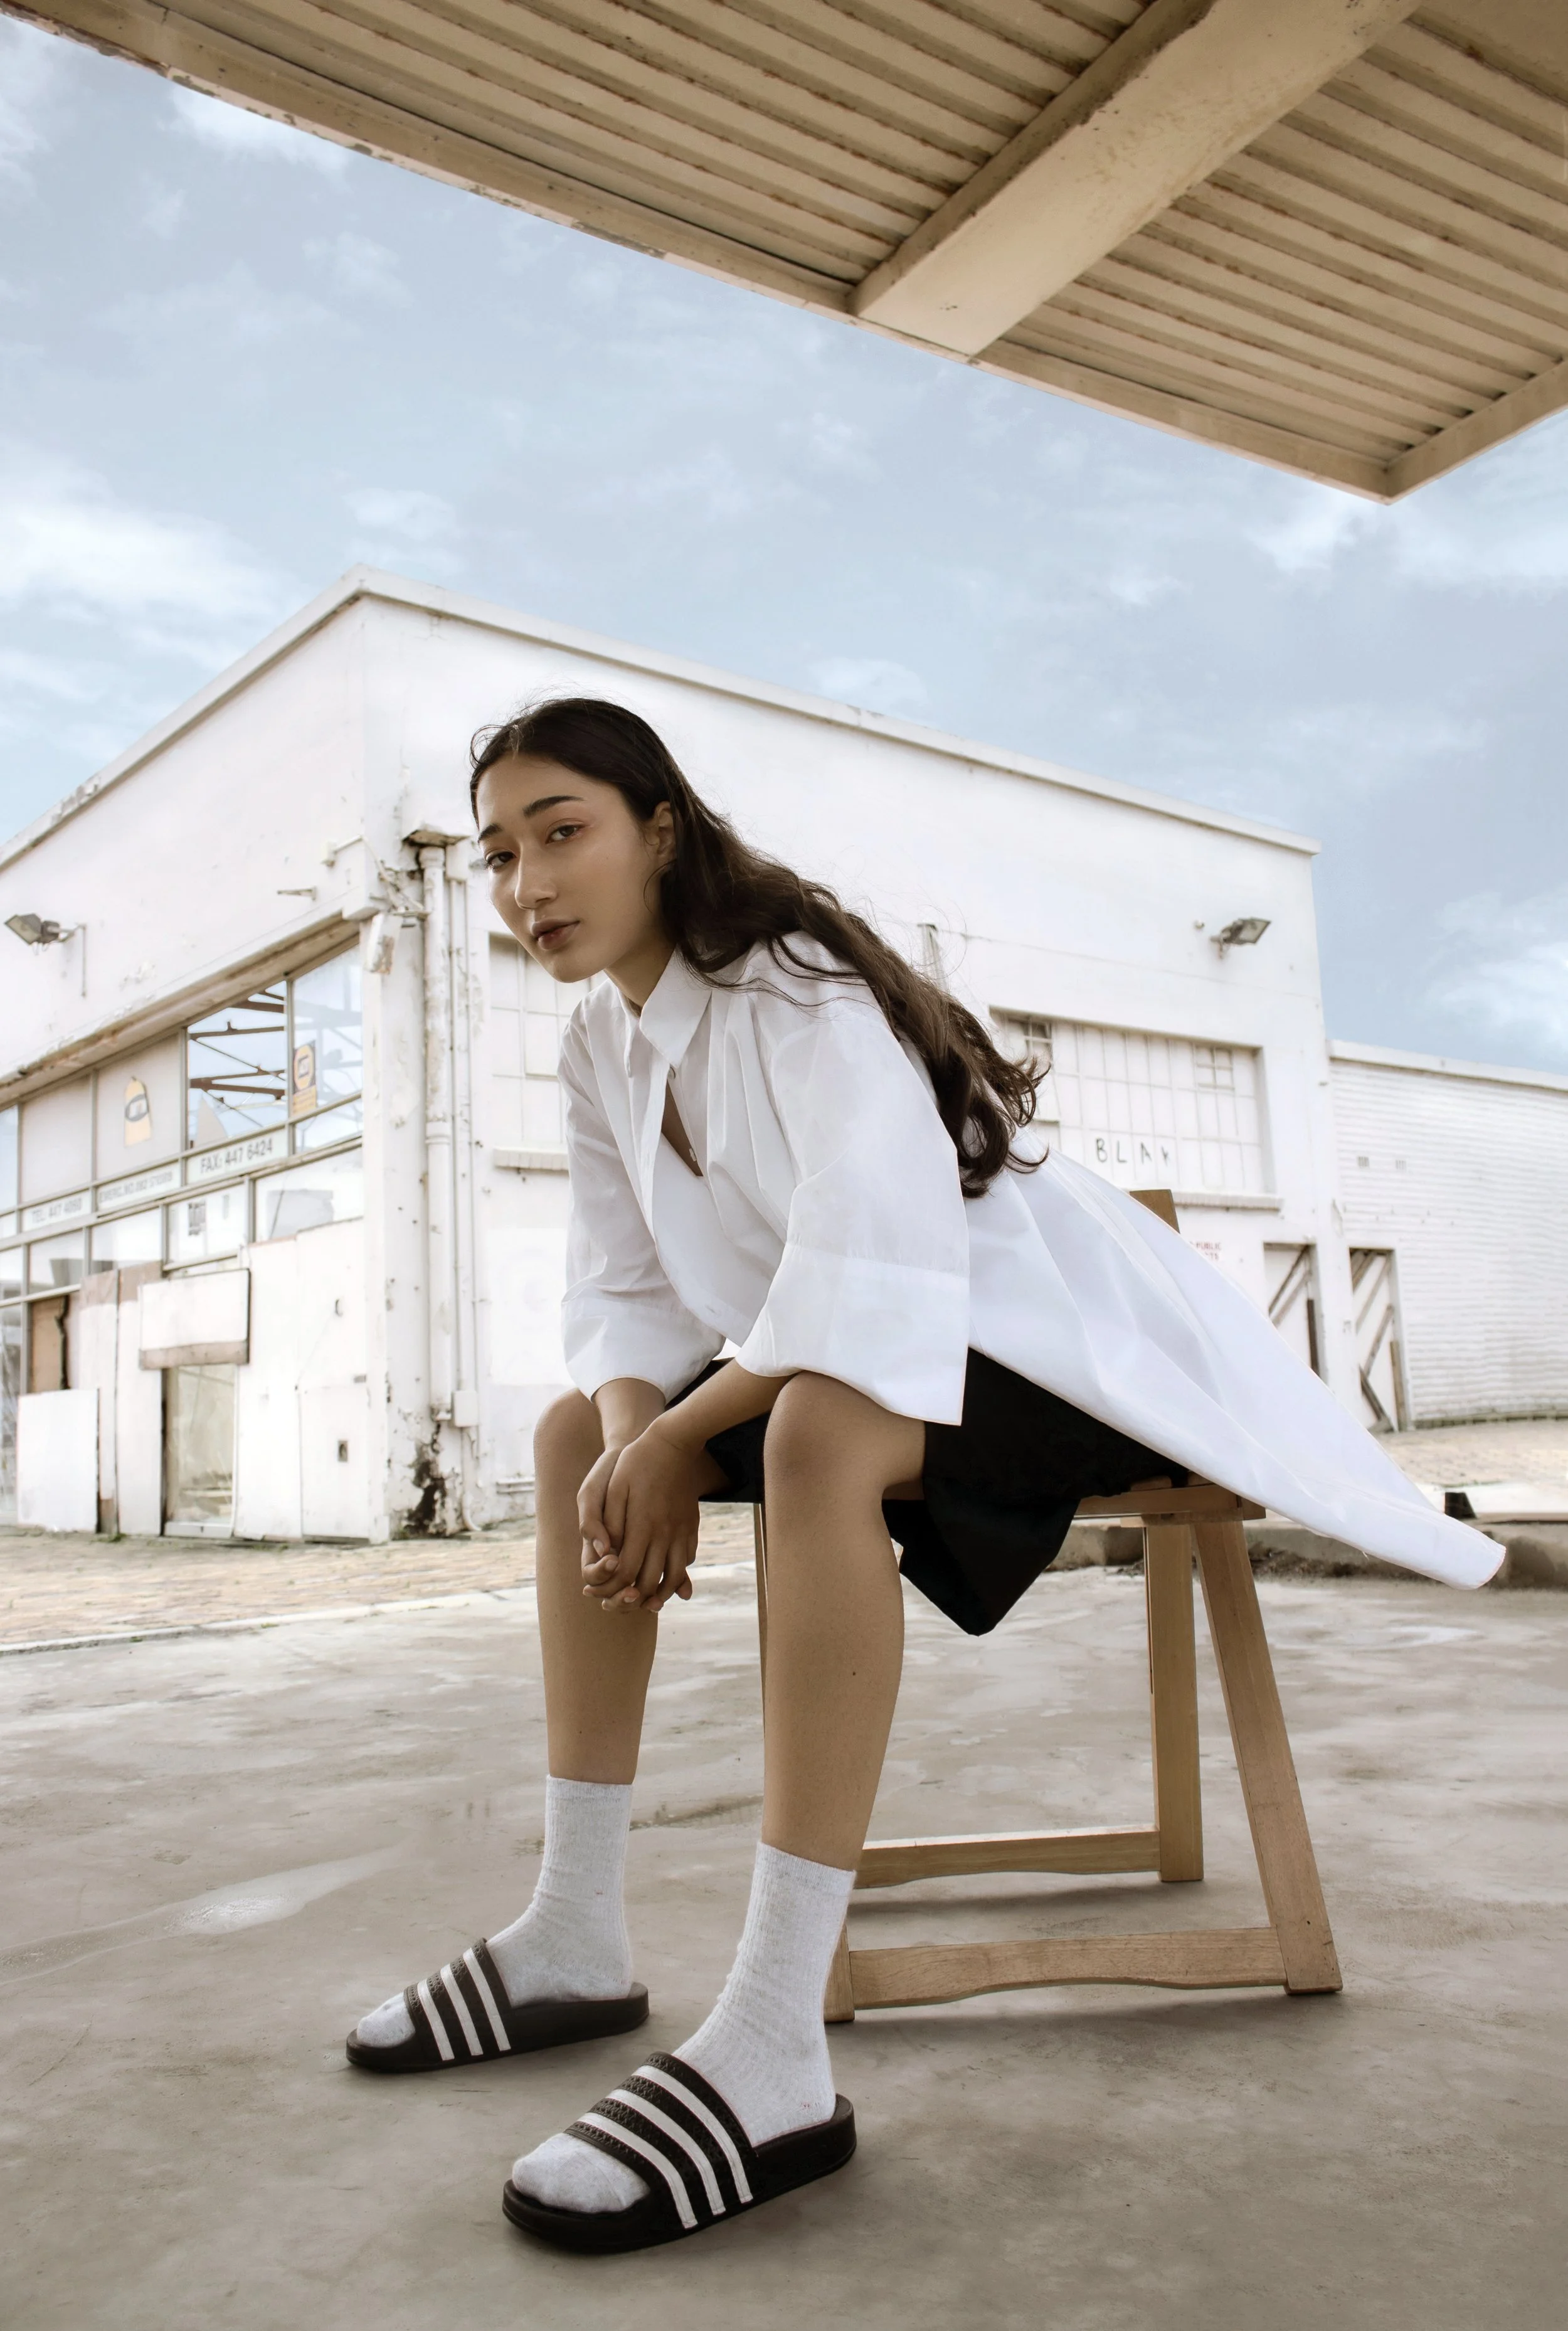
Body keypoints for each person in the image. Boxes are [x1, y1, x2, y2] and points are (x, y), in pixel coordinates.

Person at [347, 698, 1497, 2254]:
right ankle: (572, 1931)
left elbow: (867, 1271)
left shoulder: (794, 984)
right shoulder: (597, 1042)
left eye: (564, 831)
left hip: (1054, 1341)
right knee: (569, 1440)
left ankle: (773, 2049)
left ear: (658, 831)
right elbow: (622, 1292)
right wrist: (630, 1438)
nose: (527, 882)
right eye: (497, 853)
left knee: (814, 1432)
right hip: (862, 1344)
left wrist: (679, 1437)